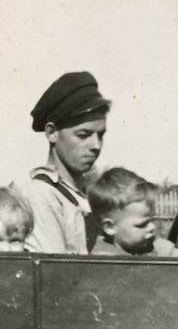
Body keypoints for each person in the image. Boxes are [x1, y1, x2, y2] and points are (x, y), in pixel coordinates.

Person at [21, 71, 111, 253]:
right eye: (83, 135)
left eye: (100, 135)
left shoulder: (85, 194)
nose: (96, 145)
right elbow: (54, 274)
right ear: (52, 133)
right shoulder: (41, 196)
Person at [88, 166, 178, 257]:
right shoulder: (102, 260)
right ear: (110, 227)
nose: (152, 227)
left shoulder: (155, 247)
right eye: (142, 224)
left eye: (151, 220)